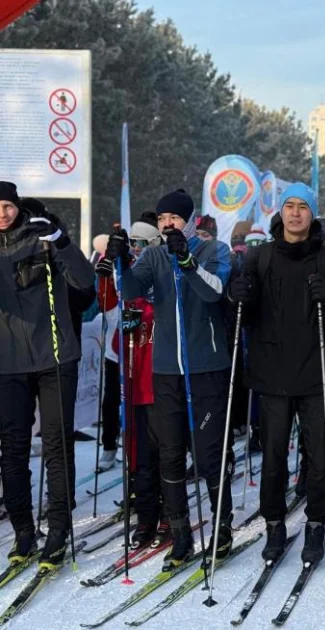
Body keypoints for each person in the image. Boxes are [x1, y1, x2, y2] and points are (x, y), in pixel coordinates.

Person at [107, 188, 235, 568]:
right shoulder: (154, 254)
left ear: (190, 220)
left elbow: (215, 293)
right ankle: (180, 535)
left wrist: (187, 259)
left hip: (206, 367)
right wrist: (120, 262)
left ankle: (222, 528)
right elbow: (130, 292)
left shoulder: (215, 250)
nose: (167, 224)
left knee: (210, 455)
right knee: (170, 454)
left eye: (175, 218)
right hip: (165, 370)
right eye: (163, 219)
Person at [228, 183, 325, 565]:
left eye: (303, 207)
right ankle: (275, 525)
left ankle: (316, 523)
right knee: (274, 458)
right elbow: (243, 319)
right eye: (290, 207)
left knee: (318, 457)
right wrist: (239, 295)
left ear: (313, 214)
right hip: (273, 373)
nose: (296, 213)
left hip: (317, 373)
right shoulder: (259, 257)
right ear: (280, 212)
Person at [0, 181, 95, 567]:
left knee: (56, 446)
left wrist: (61, 240)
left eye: (6, 205)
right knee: (13, 450)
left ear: (17, 206)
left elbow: (84, 282)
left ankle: (58, 528)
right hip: (8, 364)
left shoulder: (42, 236)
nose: (2, 213)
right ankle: (24, 531)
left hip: (56, 358)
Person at [96, 215, 166, 548]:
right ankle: (145, 516)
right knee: (137, 454)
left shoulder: (161, 271)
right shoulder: (126, 270)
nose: (136, 249)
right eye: (132, 244)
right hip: (131, 376)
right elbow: (106, 300)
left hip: (159, 377)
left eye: (142, 243)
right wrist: (111, 261)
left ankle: (166, 513)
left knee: (162, 450)